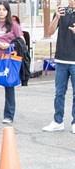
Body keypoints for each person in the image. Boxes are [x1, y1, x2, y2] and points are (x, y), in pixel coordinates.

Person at [43, 2, 75, 134]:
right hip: (61, 58)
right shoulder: (62, 11)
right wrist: (56, 17)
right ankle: (58, 121)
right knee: (59, 92)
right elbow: (49, 32)